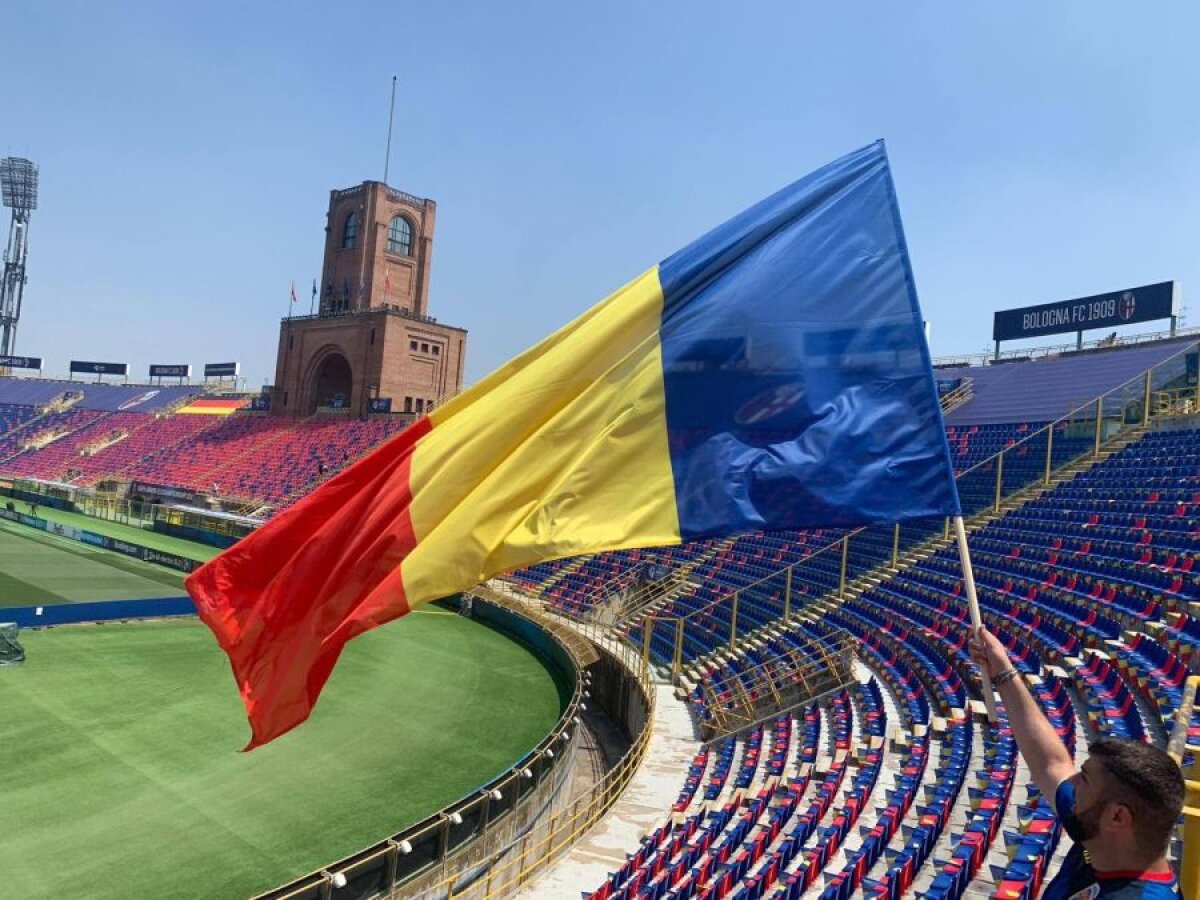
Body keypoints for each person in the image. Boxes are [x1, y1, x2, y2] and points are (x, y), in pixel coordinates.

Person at [969, 626, 1184, 899]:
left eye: (1083, 779)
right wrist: (1003, 671)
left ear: (1117, 817)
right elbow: (1052, 763)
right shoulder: (1102, 842)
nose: (1071, 781)